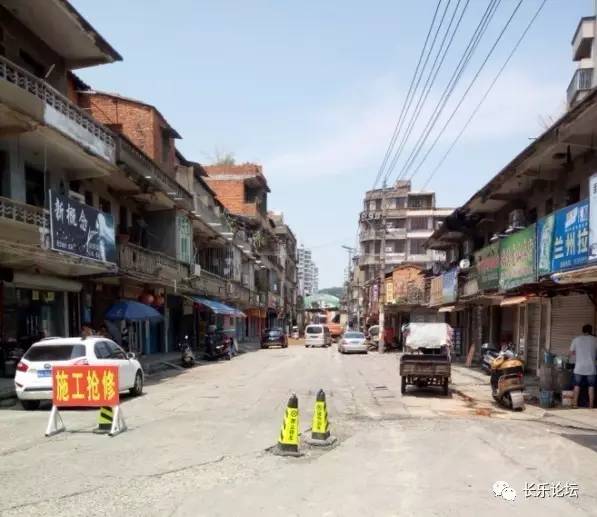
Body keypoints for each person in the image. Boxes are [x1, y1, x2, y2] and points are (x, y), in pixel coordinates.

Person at [569, 324, 597, 408]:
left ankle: (575, 404)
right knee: (591, 387)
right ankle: (591, 406)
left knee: (577, 385)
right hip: (591, 368)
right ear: (591, 331)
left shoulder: (576, 339)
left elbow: (571, 352)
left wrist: (578, 353)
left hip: (579, 368)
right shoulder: (595, 340)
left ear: (582, 331)